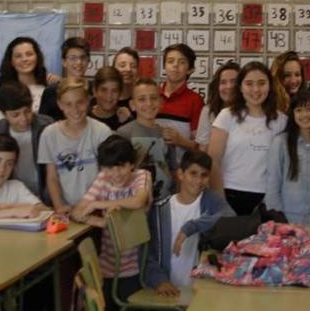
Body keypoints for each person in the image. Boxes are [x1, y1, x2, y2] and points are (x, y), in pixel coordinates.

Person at [72, 135, 152, 309]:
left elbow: (138, 201)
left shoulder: (142, 176)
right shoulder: (103, 179)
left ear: (132, 164)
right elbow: (78, 212)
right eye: (109, 168)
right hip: (107, 266)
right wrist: (102, 222)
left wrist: (98, 204)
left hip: (137, 266)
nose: (115, 174)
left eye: (121, 166)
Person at [145, 150, 235, 296]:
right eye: (193, 173)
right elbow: (148, 254)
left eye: (204, 175)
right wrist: (159, 281)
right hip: (168, 289)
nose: (199, 180)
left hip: (203, 289)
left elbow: (230, 217)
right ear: (181, 174)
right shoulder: (159, 211)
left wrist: (191, 227)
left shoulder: (211, 200)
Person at [207, 61, 288, 215]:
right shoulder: (226, 116)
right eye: (249, 84)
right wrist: (220, 201)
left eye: (261, 83)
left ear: (270, 86)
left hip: (267, 198)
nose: (256, 89)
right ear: (240, 87)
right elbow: (213, 161)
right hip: (230, 194)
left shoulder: (281, 121)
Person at [265, 91, 310, 249]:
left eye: (309, 109)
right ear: (292, 114)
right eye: (299, 110)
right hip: (287, 226)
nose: (305, 114)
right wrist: (278, 225)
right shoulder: (281, 143)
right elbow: (273, 187)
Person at [38, 78, 112, 214]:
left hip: (97, 207)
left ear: (88, 100)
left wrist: (90, 206)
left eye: (80, 103)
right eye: (68, 104)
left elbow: (106, 175)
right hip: (66, 209)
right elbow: (52, 177)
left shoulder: (102, 132)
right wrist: (59, 206)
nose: (75, 109)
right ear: (60, 105)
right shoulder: (49, 134)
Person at [0, 80, 54, 200]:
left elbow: (54, 169)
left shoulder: (46, 125)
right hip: (12, 195)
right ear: (4, 114)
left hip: (44, 193)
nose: (23, 119)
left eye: (27, 111)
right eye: (15, 115)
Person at [117, 78, 177, 201]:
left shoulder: (167, 134)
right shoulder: (124, 133)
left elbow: (173, 169)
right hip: (134, 204)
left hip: (165, 200)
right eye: (142, 99)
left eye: (153, 98)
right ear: (133, 105)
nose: (149, 104)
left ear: (161, 102)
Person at [156, 44, 204, 162]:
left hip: (183, 171)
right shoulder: (152, 96)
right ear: (164, 66)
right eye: (170, 61)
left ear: (190, 69)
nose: (175, 65)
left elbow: (201, 146)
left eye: (182, 62)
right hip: (153, 168)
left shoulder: (195, 100)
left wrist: (181, 141)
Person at [40, 37, 91, 121]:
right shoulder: (51, 92)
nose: (79, 62)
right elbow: (42, 122)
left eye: (83, 57)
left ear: (88, 61)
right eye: (73, 58)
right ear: (64, 62)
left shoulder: (95, 90)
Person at [0, 37, 50, 114]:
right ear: (11, 61)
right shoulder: (2, 91)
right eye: (18, 56)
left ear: (37, 57)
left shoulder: (49, 88)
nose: (24, 59)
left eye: (29, 54)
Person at [194, 61, 240, 148]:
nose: (229, 86)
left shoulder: (252, 111)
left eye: (234, 81)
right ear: (217, 87)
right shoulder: (208, 111)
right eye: (223, 82)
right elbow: (202, 149)